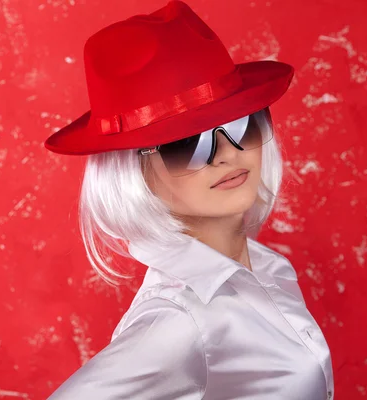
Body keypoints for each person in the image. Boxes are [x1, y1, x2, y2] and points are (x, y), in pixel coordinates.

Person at [43, 0, 335, 398]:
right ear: (134, 174)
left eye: (239, 123)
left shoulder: (270, 271)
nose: (226, 153)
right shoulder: (179, 319)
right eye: (184, 144)